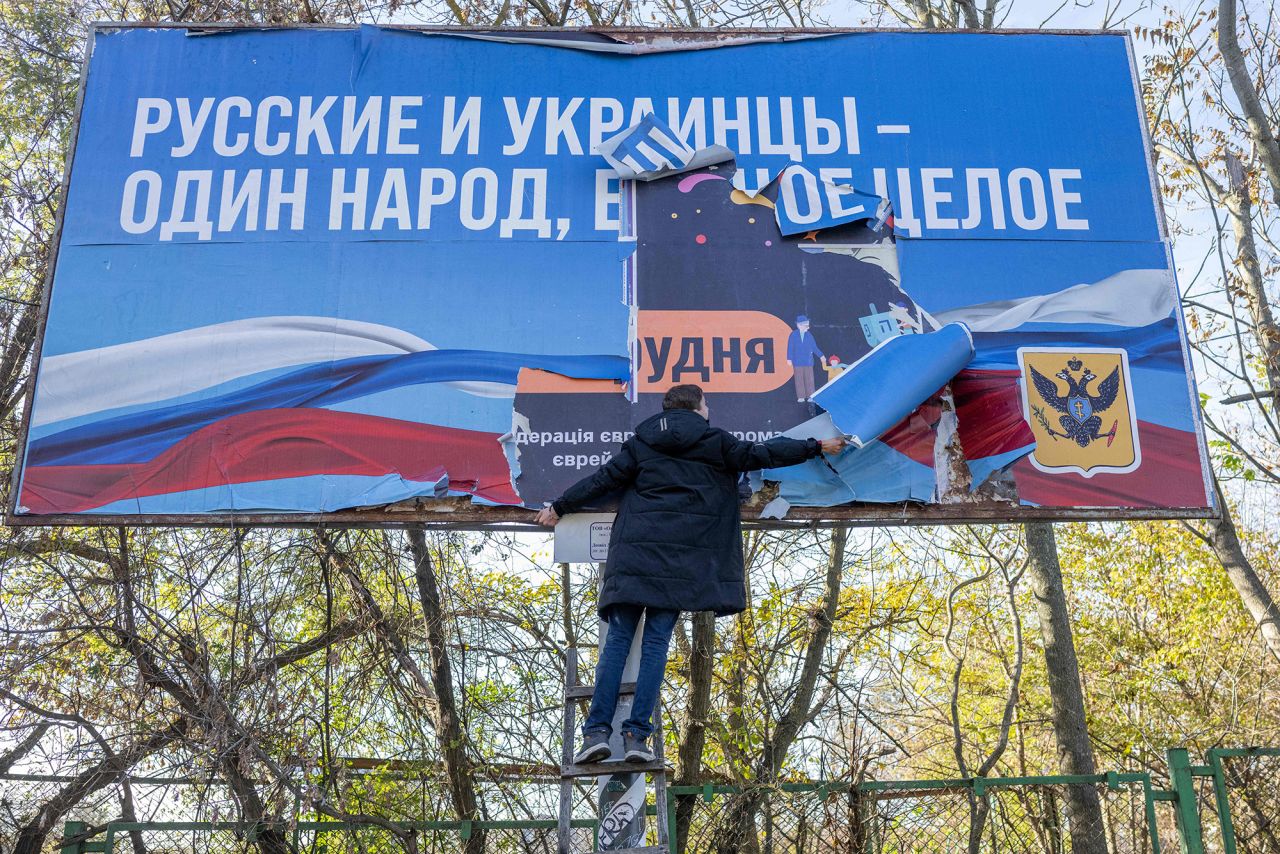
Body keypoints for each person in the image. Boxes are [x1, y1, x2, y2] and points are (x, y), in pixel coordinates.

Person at [535, 384, 846, 764]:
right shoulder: (716, 442)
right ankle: (636, 736)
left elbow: (603, 480)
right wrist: (816, 446)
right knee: (655, 647)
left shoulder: (642, 442)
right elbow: (763, 453)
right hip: (681, 563)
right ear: (699, 408)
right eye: (707, 403)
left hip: (634, 552)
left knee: (617, 641)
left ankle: (596, 733)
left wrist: (559, 506)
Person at [786, 314, 828, 402]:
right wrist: (789, 358)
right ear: (799, 325)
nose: (808, 327)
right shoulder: (793, 335)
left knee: (809, 379)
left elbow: (814, 347)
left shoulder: (809, 335)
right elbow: (790, 347)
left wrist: (821, 356)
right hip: (797, 361)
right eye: (806, 325)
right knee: (799, 379)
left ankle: (810, 396)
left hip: (808, 361)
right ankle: (801, 396)